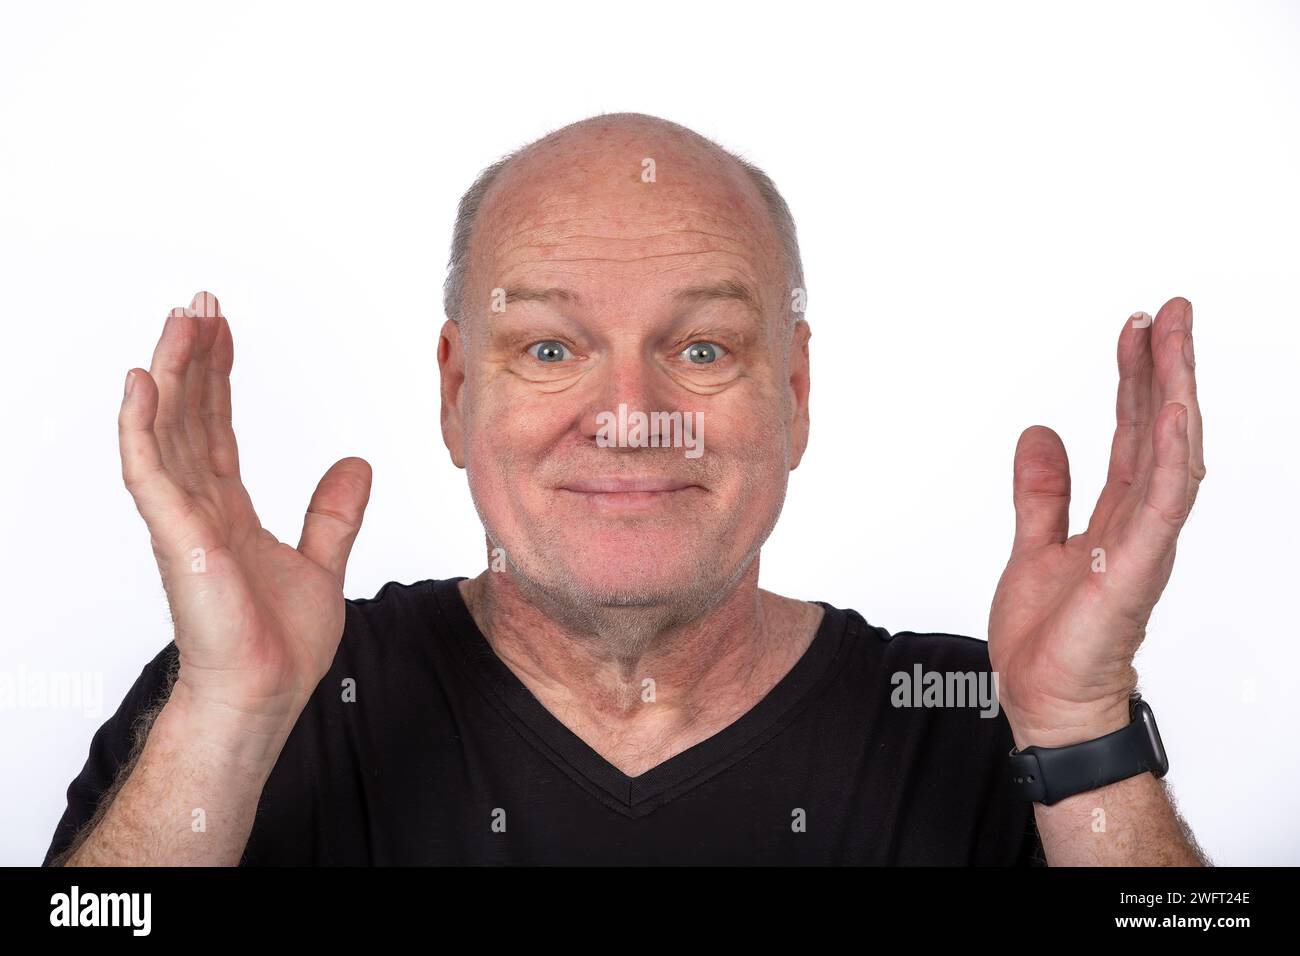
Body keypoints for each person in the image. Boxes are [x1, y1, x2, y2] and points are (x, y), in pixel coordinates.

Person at [43, 112, 1209, 866]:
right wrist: (230, 718)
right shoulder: (258, 698)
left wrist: (1079, 732)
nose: (629, 411)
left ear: (794, 392)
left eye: (701, 349)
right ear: (456, 394)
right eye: (548, 349)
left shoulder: (980, 716)